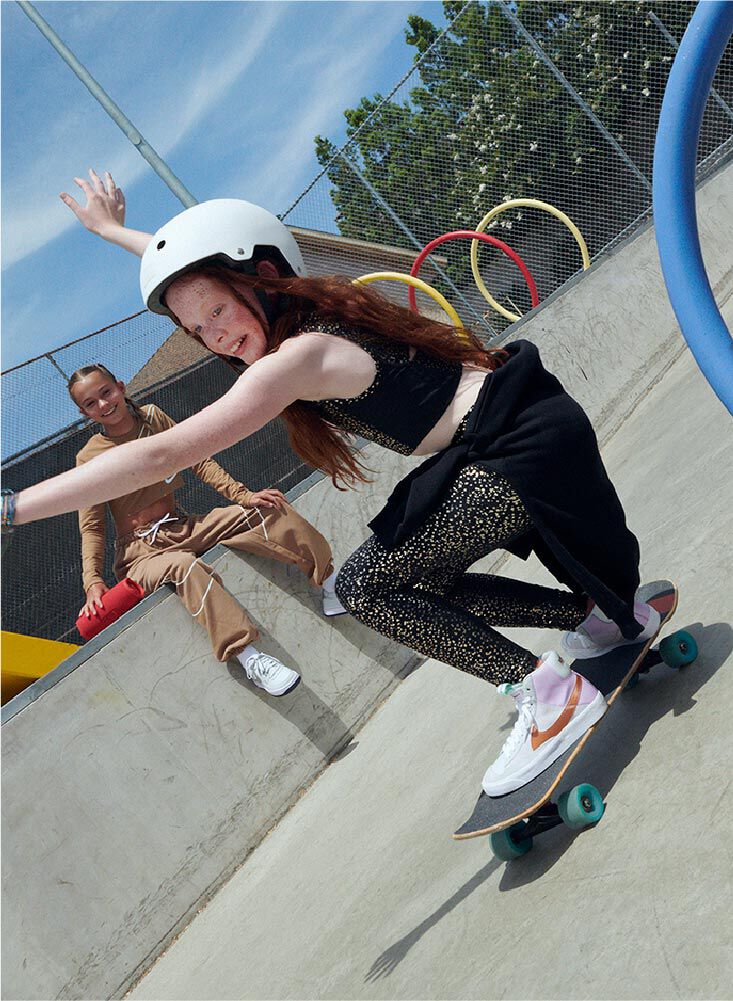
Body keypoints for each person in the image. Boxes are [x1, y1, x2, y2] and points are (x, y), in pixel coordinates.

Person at [3, 169, 660, 795]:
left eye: (218, 313)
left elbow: (160, 454)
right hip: (511, 438)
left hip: (515, 451)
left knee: (364, 588)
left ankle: (546, 696)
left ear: (260, 280)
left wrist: (13, 507)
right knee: (413, 576)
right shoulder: (302, 315)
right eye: (199, 331)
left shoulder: (297, 355)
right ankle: (593, 617)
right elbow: (207, 258)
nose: (217, 336)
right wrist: (117, 234)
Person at [69, 362, 345, 696]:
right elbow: (93, 527)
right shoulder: (89, 458)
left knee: (268, 508)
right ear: (85, 413)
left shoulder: (154, 419)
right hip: (140, 553)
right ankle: (250, 658)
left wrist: (244, 496)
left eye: (105, 392)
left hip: (181, 527)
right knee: (184, 566)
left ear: (121, 387)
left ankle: (331, 584)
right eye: (90, 403)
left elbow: (197, 460)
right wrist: (93, 583)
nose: (103, 404)